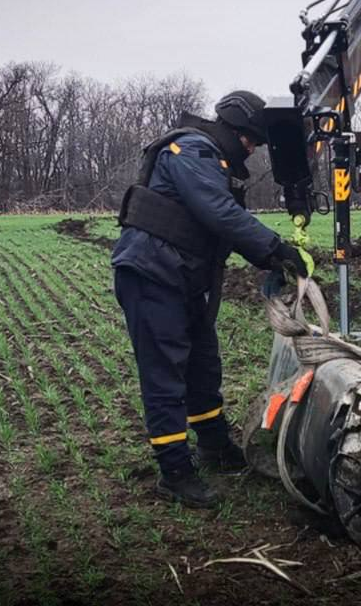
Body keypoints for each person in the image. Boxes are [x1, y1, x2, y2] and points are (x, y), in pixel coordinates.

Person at [112, 90, 308, 508]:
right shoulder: (191, 150)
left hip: (180, 277)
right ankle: (174, 470)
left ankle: (215, 445)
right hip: (151, 275)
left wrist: (272, 259)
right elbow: (219, 212)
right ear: (233, 128)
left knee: (203, 361)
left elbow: (219, 224)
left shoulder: (208, 158)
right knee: (165, 373)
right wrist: (275, 248)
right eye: (250, 140)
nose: (252, 149)